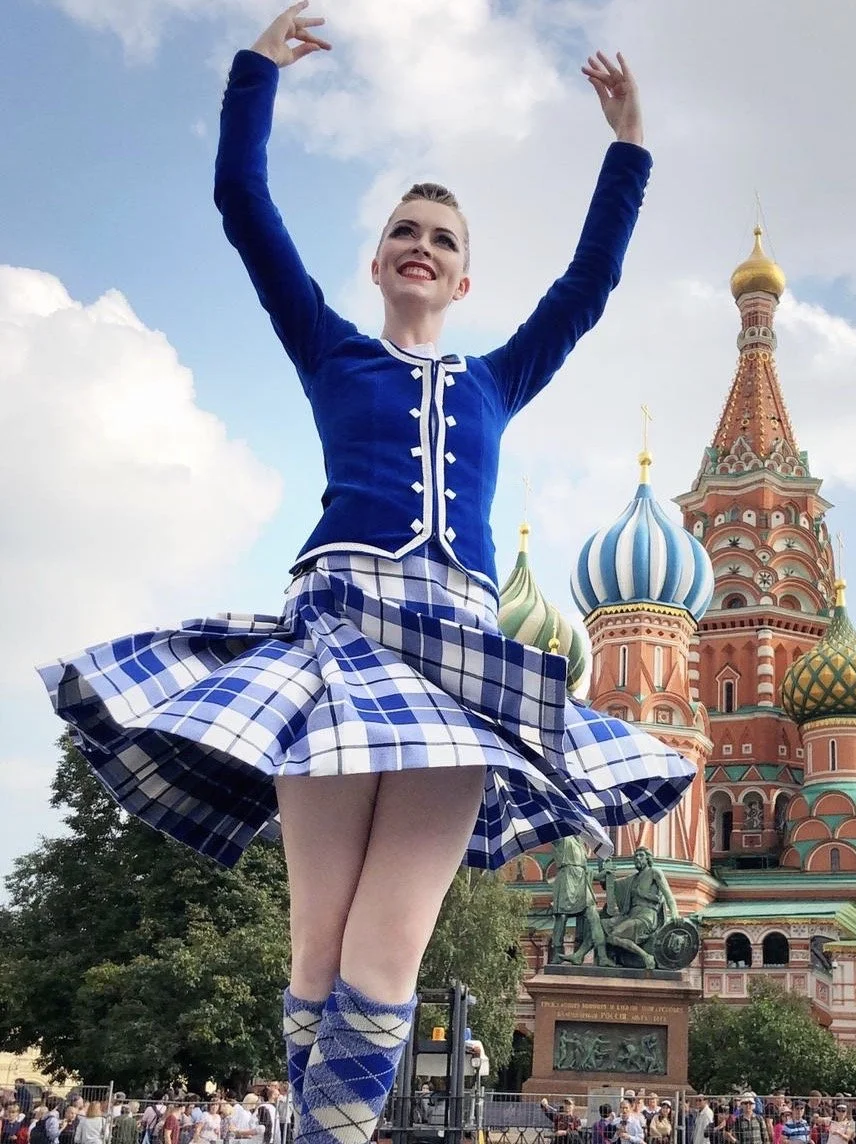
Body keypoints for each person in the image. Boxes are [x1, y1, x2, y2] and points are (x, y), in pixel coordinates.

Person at [36, 4, 689, 1144]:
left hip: (455, 665)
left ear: (464, 281)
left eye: (443, 238)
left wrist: (629, 146)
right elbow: (244, 205)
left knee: (387, 950)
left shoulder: (494, 379)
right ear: (379, 261)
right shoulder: (331, 347)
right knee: (317, 945)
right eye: (405, 231)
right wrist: (255, 73)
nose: (422, 244)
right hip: (337, 642)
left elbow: (588, 285)